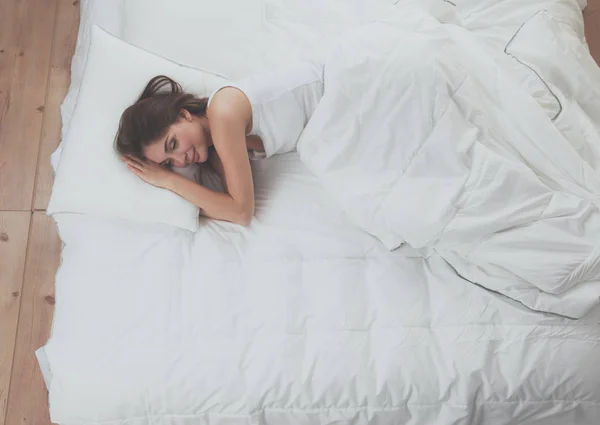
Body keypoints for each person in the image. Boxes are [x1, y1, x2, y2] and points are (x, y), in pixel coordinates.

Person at [116, 61, 324, 225]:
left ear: (184, 115)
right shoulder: (215, 149)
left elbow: (241, 211)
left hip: (337, 94)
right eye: (169, 163)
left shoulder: (223, 113)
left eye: (172, 144)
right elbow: (231, 209)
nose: (181, 160)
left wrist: (167, 180)